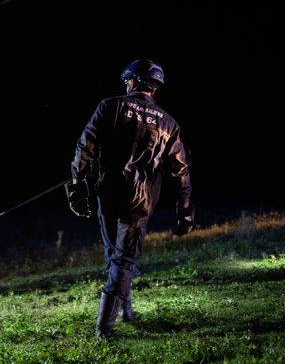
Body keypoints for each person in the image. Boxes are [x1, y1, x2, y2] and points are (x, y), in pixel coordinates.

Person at [67, 58, 194, 338]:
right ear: (155, 88)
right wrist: (185, 210)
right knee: (124, 259)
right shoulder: (169, 123)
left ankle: (115, 319)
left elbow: (84, 145)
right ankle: (111, 323)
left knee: (116, 256)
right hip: (141, 200)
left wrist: (77, 184)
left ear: (134, 81)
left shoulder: (109, 106)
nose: (126, 85)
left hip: (108, 192)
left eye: (127, 80)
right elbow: (181, 170)